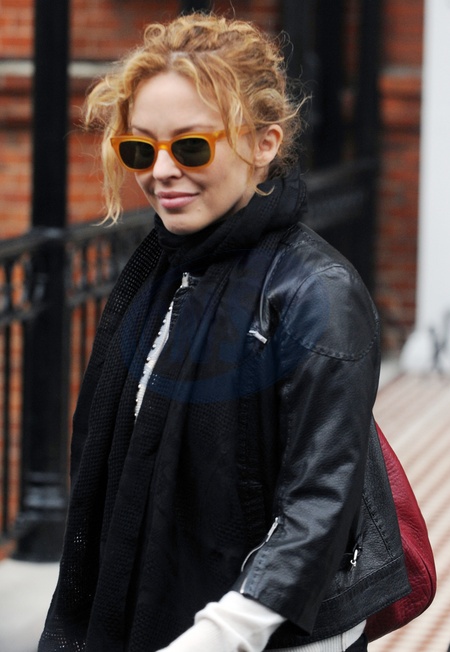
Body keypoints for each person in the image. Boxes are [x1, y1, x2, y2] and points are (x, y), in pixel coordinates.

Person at [38, 12, 410, 652]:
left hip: (271, 632)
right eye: (140, 149)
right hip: (147, 613)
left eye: (190, 146)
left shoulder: (318, 291)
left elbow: (320, 501)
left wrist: (220, 634)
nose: (160, 171)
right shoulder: (157, 273)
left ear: (264, 144)